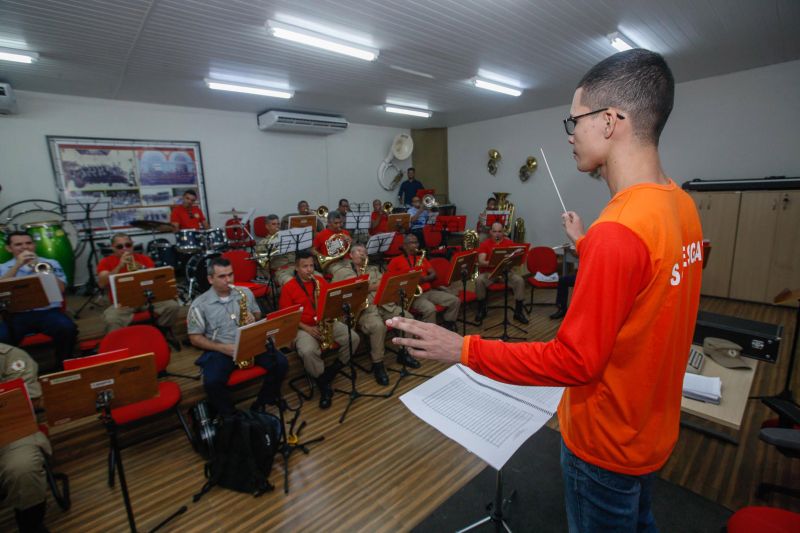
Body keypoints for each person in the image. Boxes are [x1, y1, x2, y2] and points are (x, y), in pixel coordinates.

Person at [387, 49, 703, 532]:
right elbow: (650, 299)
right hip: (651, 432)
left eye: (574, 120)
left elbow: (573, 362)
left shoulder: (619, 231)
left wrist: (462, 347)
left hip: (605, 445)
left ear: (611, 121)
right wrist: (590, 249)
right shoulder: (681, 206)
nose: (571, 134)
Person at [187, 257, 288, 415]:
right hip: (221, 349)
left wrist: (253, 317)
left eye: (230, 274)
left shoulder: (245, 292)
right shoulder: (199, 304)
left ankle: (263, 401)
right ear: (210, 279)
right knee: (212, 382)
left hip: (249, 343)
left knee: (281, 362)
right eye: (222, 276)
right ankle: (231, 415)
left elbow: (257, 313)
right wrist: (223, 348)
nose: (228, 280)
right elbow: (194, 338)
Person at [279, 250, 360, 409]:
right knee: (308, 352)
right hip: (301, 327)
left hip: (324, 321)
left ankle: (331, 372)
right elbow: (287, 318)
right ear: (296, 268)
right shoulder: (288, 287)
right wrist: (307, 329)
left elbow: (332, 302)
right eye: (304, 266)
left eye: (311, 266)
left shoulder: (320, 281)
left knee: (354, 339)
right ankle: (323, 385)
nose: (309, 270)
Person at [332, 243, 414, 385]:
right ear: (350, 255)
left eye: (364, 251)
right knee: (378, 327)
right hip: (364, 311)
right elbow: (337, 294)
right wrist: (370, 287)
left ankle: (404, 353)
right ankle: (378, 364)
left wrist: (370, 287)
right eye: (358, 251)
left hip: (384, 305)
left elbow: (386, 284)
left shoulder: (374, 269)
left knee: (408, 318)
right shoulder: (341, 272)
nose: (362, 253)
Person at [0, 231, 78, 369]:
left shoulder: (50, 263)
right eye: (18, 244)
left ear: (34, 245)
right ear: (9, 248)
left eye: (28, 243)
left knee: (67, 328)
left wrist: (40, 269)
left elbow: (60, 290)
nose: (25, 247)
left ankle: (62, 366)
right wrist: (17, 265)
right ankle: (13, 371)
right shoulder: (3, 268)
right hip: (17, 314)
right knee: (3, 337)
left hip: (47, 312)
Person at [0, 343, 52, 533]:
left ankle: (31, 525)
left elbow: (24, 401)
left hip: (9, 430)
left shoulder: (9, 357)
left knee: (23, 467)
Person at [96, 233, 181, 332]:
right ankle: (120, 341)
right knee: (111, 318)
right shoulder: (106, 261)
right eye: (120, 247)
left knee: (172, 306)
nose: (125, 249)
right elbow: (102, 283)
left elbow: (156, 281)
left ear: (132, 244)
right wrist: (119, 266)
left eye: (128, 245)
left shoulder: (144, 259)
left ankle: (161, 331)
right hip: (123, 302)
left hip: (147, 298)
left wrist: (143, 269)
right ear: (113, 248)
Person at [387, 234, 459, 331]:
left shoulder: (422, 258)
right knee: (430, 309)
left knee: (455, 300)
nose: (416, 245)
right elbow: (391, 281)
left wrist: (424, 279)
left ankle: (448, 325)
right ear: (404, 245)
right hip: (412, 296)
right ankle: (428, 334)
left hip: (428, 291)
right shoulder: (395, 261)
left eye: (417, 242)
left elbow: (434, 274)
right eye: (412, 243)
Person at [474, 222, 529, 325]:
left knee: (519, 281)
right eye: (495, 232)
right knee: (479, 280)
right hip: (490, 272)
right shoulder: (485, 244)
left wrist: (511, 260)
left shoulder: (509, 243)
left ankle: (518, 312)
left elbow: (515, 259)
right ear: (490, 232)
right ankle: (481, 309)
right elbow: (481, 261)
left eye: (499, 231)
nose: (497, 234)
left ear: (503, 232)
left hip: (505, 272)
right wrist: (495, 263)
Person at [313, 211, 351, 275]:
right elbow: (313, 250)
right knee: (345, 273)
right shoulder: (321, 235)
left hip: (345, 260)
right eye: (336, 223)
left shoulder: (345, 233)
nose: (339, 225)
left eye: (340, 222)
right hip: (331, 263)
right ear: (329, 223)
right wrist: (320, 256)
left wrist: (349, 242)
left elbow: (349, 250)